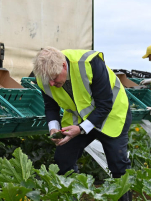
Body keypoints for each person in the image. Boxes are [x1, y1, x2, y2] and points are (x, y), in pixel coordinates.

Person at [33, 47, 132, 201]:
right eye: (48, 80)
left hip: (112, 115)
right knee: (63, 159)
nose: (51, 83)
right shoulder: (45, 77)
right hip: (78, 119)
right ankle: (74, 196)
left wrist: (81, 129)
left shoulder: (89, 63)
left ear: (64, 66)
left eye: (54, 78)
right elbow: (50, 107)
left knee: (118, 165)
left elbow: (105, 105)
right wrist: (54, 128)